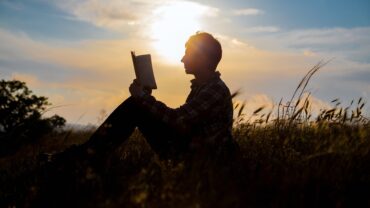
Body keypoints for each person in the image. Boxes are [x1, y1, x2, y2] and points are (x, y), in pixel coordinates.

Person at [54, 31, 237, 165]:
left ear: (203, 58)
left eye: (188, 53)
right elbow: (182, 124)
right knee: (138, 105)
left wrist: (142, 98)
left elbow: (177, 119)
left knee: (136, 105)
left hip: (202, 159)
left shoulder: (214, 90)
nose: (182, 59)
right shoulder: (202, 87)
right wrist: (146, 100)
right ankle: (83, 156)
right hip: (192, 151)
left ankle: (82, 157)